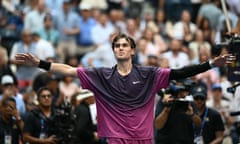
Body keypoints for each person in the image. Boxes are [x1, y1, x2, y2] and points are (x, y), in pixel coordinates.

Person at [14, 33, 235, 144]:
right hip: (116, 138)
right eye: (117, 46)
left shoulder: (149, 74)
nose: (120, 48)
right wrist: (40, 64)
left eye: (124, 45)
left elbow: (180, 73)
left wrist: (210, 64)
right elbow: (70, 70)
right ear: (114, 51)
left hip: (144, 138)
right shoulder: (102, 75)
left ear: (132, 50)